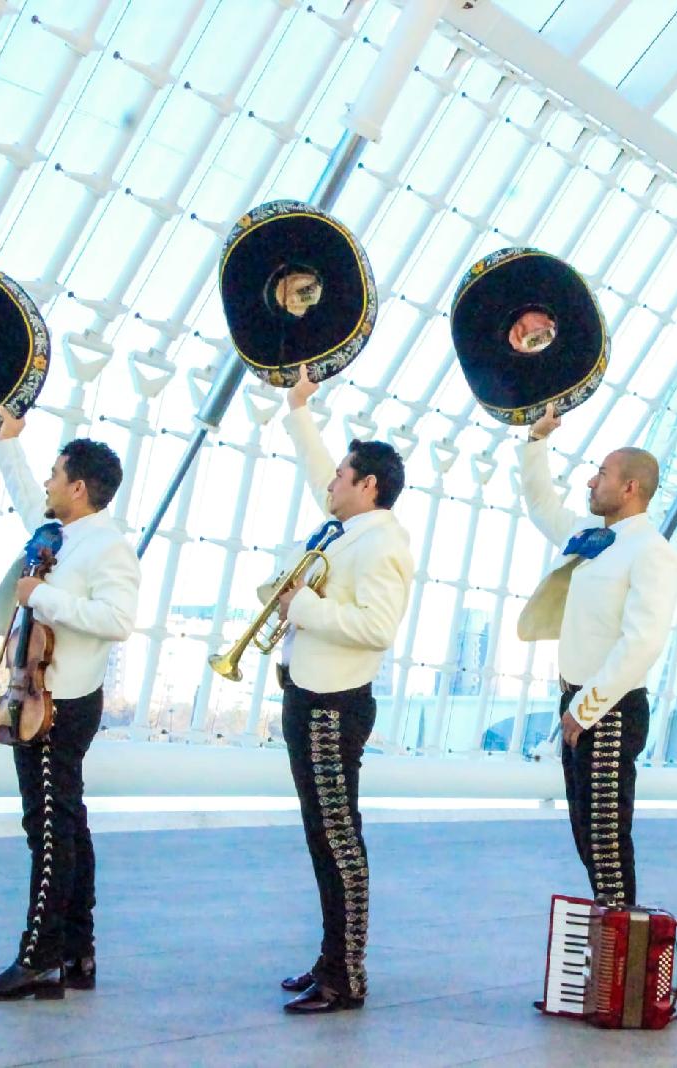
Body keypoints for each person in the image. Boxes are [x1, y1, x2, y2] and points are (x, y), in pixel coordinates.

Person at [0, 407, 140, 1002]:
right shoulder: (59, 534)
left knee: (47, 828)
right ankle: (78, 950)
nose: (47, 483)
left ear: (80, 488)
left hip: (58, 705)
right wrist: (9, 442)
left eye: (56, 474)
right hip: (43, 697)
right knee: (68, 821)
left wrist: (44, 597)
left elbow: (118, 620)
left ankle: (39, 957)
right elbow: (21, 492)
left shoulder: (108, 548)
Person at [272, 378, 414, 1014]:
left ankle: (346, 975)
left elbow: (376, 628)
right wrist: (298, 411)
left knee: (339, 841)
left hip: (334, 705)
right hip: (308, 695)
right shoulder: (346, 530)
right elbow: (315, 472)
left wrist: (300, 604)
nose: (331, 483)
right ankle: (332, 959)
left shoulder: (383, 541)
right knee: (321, 837)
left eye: (343, 476)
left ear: (369, 487)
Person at [517, 403, 677, 906]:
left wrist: (586, 709)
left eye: (602, 475)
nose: (591, 482)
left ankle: (625, 966)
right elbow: (543, 505)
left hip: (609, 711)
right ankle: (610, 961)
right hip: (579, 707)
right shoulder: (598, 541)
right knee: (588, 839)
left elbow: (643, 641)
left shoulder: (650, 551)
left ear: (630, 488)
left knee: (607, 845)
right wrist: (536, 443)